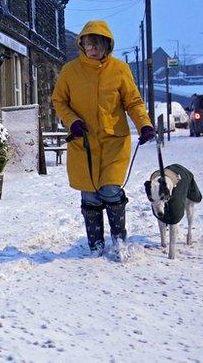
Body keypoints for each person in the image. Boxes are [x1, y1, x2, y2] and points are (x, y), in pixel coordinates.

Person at [52, 20, 155, 255]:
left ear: (107, 45)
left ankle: (119, 238)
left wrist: (144, 124)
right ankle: (95, 243)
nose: (92, 49)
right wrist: (73, 121)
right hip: (83, 141)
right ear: (82, 45)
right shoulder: (70, 71)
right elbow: (59, 101)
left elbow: (133, 101)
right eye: (88, 44)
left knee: (109, 189)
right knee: (89, 193)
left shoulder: (120, 70)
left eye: (97, 44)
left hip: (113, 141)